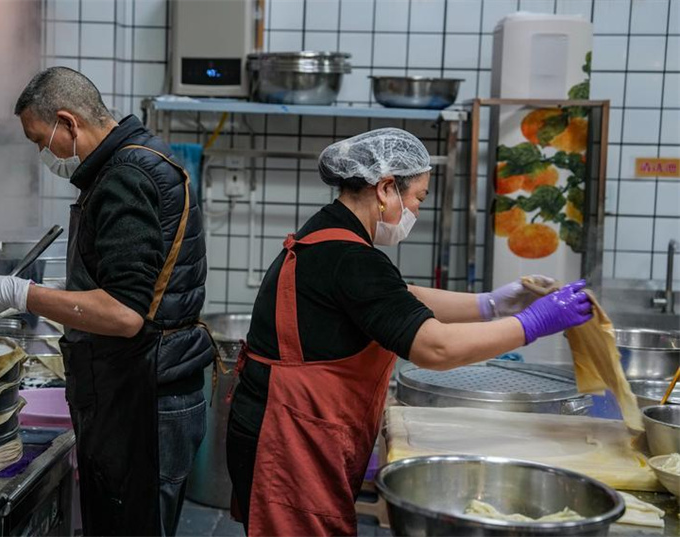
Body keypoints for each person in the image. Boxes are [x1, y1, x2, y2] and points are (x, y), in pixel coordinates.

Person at [225, 128, 593, 537]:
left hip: (284, 426)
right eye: (417, 197)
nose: (416, 210)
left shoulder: (329, 233)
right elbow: (434, 348)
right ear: (385, 188)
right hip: (289, 439)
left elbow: (397, 297)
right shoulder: (350, 257)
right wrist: (533, 323)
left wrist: (491, 304)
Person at [0, 67, 213, 536]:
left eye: (42, 140)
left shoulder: (127, 177)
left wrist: (20, 293)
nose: (44, 153)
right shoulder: (140, 158)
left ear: (68, 122)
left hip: (144, 400)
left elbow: (123, 315)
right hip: (147, 389)